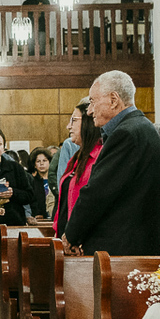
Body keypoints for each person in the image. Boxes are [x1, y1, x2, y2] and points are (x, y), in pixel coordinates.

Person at [61, 70, 160, 256]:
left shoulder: (126, 134)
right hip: (134, 245)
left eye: (93, 102)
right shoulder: (143, 128)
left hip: (119, 249)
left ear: (114, 99)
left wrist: (71, 235)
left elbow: (98, 192)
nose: (90, 110)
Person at [54, 98, 102, 237]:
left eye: (73, 120)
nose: (68, 126)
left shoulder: (100, 156)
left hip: (83, 238)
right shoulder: (78, 157)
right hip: (66, 234)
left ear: (88, 123)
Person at [27, 146, 52, 221]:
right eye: (38, 161)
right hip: (38, 218)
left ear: (50, 162)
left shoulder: (55, 180)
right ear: (34, 165)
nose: (41, 164)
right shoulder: (31, 181)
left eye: (44, 161)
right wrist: (36, 213)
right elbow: (31, 201)